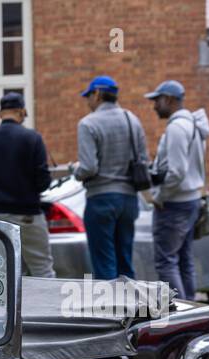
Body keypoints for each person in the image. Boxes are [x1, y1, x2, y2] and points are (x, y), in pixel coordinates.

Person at [0, 92, 54, 278]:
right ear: (22, 112)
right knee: (42, 268)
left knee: (0, 272)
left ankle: (2, 307)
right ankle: (44, 307)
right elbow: (43, 182)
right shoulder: (33, 139)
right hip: (28, 214)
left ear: (0, 113)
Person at [75, 75, 147, 280]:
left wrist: (75, 171)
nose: (87, 101)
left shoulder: (88, 124)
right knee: (125, 259)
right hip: (129, 200)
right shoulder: (132, 120)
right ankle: (130, 309)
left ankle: (110, 310)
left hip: (101, 199)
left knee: (104, 261)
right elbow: (143, 159)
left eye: (88, 96)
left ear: (97, 94)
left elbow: (88, 168)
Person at [146, 80, 209, 300]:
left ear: (170, 100)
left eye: (157, 100)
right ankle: (190, 308)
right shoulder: (193, 124)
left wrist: (159, 196)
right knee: (184, 260)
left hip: (173, 203)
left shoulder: (176, 128)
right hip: (191, 200)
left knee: (166, 262)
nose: (154, 106)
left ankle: (179, 316)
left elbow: (176, 172)